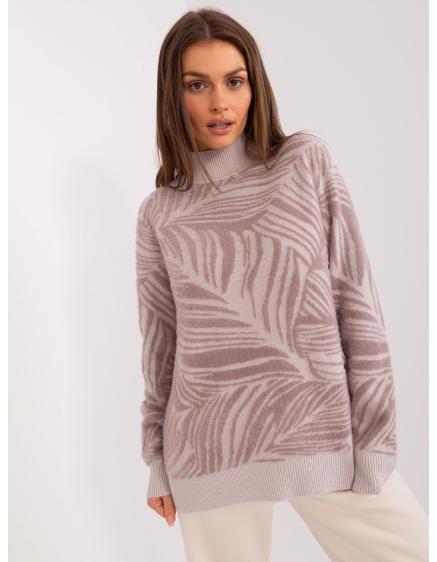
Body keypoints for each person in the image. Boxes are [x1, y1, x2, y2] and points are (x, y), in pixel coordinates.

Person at [135, 8, 428, 562]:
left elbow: (356, 302)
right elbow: (160, 348)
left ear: (255, 86)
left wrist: (374, 439)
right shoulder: (160, 212)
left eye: (234, 81)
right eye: (197, 85)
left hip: (320, 428)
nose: (219, 102)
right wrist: (157, 460)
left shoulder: (303, 162)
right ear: (173, 96)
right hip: (208, 446)